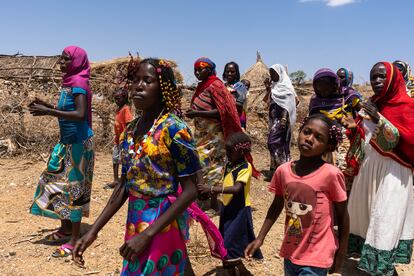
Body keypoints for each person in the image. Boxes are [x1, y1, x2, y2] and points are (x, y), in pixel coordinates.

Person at [73, 58, 204, 275]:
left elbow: (190, 191)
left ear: (163, 88)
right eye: (135, 80)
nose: (139, 86)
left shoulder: (174, 130)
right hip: (136, 219)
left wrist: (148, 234)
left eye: (148, 80)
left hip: (164, 221)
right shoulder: (130, 131)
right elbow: (124, 186)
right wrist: (93, 231)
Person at [245, 113, 349, 276]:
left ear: (328, 147)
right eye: (306, 132)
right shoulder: (283, 171)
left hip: (318, 254)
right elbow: (276, 206)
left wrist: (341, 253)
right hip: (291, 251)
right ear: (299, 132)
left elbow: (343, 216)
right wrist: (260, 238)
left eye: (318, 138)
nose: (309, 139)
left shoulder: (331, 174)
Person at [341, 62, 414, 276]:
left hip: (394, 171)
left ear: (393, 79)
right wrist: (354, 128)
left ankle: (384, 268)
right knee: (366, 215)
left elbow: (407, 140)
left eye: (382, 76)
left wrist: (378, 118)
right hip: (368, 169)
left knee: (385, 217)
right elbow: (364, 135)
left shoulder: (407, 106)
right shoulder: (371, 103)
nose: (377, 81)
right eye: (373, 77)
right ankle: (370, 264)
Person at [28, 46, 94, 257]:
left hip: (79, 144)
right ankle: (66, 227)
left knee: (74, 189)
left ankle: (74, 239)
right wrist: (46, 105)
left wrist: (48, 111)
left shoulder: (79, 83)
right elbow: (68, 111)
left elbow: (80, 114)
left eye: (66, 60)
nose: (61, 63)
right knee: (52, 180)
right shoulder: (69, 83)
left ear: (76, 61)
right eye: (61, 59)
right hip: (67, 142)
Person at [186, 57, 259, 212]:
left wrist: (197, 112)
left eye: (201, 69)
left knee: (213, 167)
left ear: (210, 70)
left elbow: (223, 111)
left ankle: (213, 204)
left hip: (214, 136)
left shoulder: (215, 85)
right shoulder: (203, 85)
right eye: (196, 70)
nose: (198, 72)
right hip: (202, 135)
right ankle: (203, 201)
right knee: (202, 166)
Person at [199, 132, 263, 275]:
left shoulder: (245, 167)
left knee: (229, 243)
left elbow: (236, 188)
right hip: (227, 208)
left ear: (241, 152)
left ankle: (234, 271)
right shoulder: (229, 165)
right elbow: (225, 182)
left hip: (239, 210)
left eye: (230, 152)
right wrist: (212, 197)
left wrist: (212, 189)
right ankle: (238, 270)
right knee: (225, 240)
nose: (227, 154)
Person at [263, 64, 297, 175]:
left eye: (274, 73)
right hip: (273, 118)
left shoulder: (286, 86)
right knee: (280, 143)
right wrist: (268, 89)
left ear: (279, 73)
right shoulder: (274, 86)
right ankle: (280, 170)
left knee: (272, 142)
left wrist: (284, 117)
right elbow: (266, 101)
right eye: (271, 73)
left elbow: (290, 102)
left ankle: (283, 166)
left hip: (281, 119)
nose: (271, 75)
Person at [105, 88, 133, 189]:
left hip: (124, 140)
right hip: (118, 140)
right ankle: (116, 180)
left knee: (124, 160)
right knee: (115, 159)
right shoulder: (119, 110)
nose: (116, 101)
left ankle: (124, 181)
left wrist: (126, 139)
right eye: (115, 99)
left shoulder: (126, 109)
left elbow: (129, 125)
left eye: (118, 98)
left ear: (125, 98)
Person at [223, 61, 249, 129]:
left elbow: (239, 105)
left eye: (232, 72)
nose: (229, 73)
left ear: (236, 73)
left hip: (237, 120)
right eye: (227, 71)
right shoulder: (222, 86)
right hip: (225, 121)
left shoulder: (240, 86)